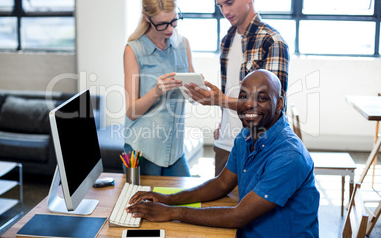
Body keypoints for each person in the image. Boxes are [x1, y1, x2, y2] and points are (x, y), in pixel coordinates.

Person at [126, 70, 319, 238]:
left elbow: (239, 216)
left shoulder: (289, 155)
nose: (249, 104)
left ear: (279, 104)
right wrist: (168, 198)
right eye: (244, 96)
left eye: (262, 98)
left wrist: (172, 212)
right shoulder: (247, 135)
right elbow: (222, 183)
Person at [184, 0, 290, 176]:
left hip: (259, 146)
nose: (225, 10)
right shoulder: (227, 39)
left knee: (251, 207)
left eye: (229, 2)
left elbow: (269, 107)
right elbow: (233, 87)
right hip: (224, 142)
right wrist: (223, 120)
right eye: (220, 5)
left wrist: (219, 100)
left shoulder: (272, 41)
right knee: (218, 206)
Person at [123, 0, 194, 176]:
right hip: (143, 150)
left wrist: (199, 91)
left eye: (174, 21)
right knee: (142, 205)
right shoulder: (134, 50)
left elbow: (192, 95)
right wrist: (156, 91)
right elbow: (131, 111)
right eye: (163, 24)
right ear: (147, 18)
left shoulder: (183, 44)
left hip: (175, 149)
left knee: (190, 203)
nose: (170, 29)